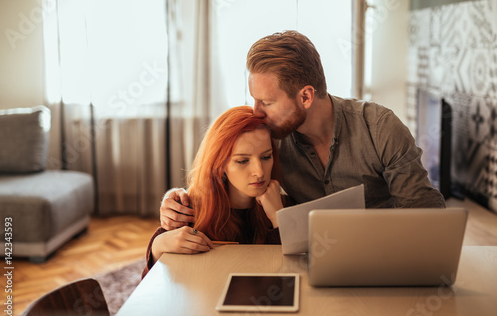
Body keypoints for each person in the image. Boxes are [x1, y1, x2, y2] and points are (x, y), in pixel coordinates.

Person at [159, 30, 445, 231]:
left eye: (267, 102)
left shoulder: (379, 128)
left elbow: (425, 215)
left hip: (385, 253)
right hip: (309, 256)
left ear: (305, 97)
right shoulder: (269, 137)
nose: (256, 112)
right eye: (253, 100)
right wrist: (177, 198)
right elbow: (225, 180)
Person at [142, 106, 285, 278]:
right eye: (242, 161)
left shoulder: (284, 205)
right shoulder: (188, 211)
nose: (260, 172)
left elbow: (295, 270)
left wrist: (279, 216)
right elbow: (152, 285)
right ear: (220, 164)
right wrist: (158, 247)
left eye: (266, 157)